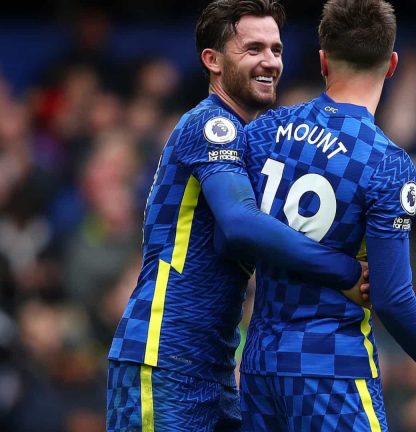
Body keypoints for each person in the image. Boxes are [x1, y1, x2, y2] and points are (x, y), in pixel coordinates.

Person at [106, 1, 369, 431]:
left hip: (215, 364)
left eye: (276, 49)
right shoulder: (211, 124)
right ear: (213, 60)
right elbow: (240, 224)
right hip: (163, 355)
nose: (270, 61)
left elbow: (226, 241)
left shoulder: (250, 140)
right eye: (253, 49)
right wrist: (344, 271)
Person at [237, 0, 416, 430]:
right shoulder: (386, 163)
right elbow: (392, 297)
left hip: (258, 368)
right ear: (392, 65)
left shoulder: (265, 131)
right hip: (333, 368)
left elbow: (234, 233)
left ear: (323, 61)